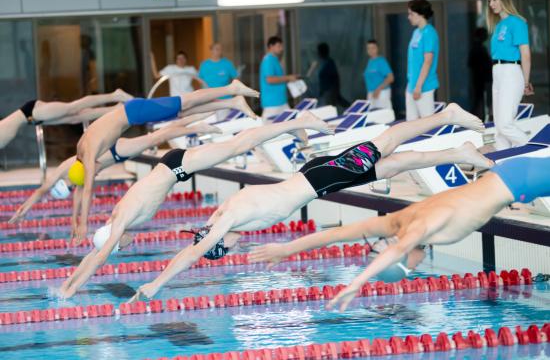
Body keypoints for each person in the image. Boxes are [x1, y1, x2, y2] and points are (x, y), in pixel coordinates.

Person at [128, 103, 495, 301]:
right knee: (392, 165)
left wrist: (157, 284)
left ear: (218, 239)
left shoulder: (228, 220)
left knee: (386, 144)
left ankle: (447, 114)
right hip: (315, 179)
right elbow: (196, 242)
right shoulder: (228, 218)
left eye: (223, 248)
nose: (233, 247)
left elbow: (192, 252)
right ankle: (457, 150)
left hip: (319, 178)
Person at [58, 111, 334, 298]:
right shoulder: (116, 220)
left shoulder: (119, 223)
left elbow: (100, 257)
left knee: (238, 145)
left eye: (120, 246)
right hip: (173, 167)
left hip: (177, 167)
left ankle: (297, 122)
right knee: (236, 145)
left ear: (114, 240)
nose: (127, 246)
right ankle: (294, 126)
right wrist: (65, 285)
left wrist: (71, 291)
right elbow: (92, 256)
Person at [251, 156, 550, 311]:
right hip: (512, 182)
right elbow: (337, 235)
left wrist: (357, 283)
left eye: (408, 266)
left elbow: (395, 250)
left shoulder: (418, 228)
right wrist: (287, 250)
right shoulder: (394, 223)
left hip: (520, 181)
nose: (415, 267)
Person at [71, 80, 259, 242]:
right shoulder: (82, 149)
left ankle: (231, 89)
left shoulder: (89, 156)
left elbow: (87, 189)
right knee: (183, 111)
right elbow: (80, 188)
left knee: (186, 101)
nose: (98, 171)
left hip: (135, 112)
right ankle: (233, 102)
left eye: (94, 172)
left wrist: (83, 224)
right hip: (134, 112)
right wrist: (74, 219)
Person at [8, 114, 221, 224]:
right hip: (117, 152)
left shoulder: (68, 169)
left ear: (66, 183)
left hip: (117, 150)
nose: (74, 189)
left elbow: (44, 190)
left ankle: (198, 126)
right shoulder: (73, 176)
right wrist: (74, 219)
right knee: (158, 135)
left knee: (159, 136)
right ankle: (197, 123)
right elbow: (77, 196)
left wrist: (24, 208)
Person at [0, 89, 132, 150]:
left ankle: (115, 95)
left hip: (31, 112)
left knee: (73, 108)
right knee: (75, 118)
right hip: (31, 119)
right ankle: (115, 109)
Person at [488, 0, 533, 150]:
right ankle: (503, 166)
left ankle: (535, 151)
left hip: (511, 72)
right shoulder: (498, 25)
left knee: (505, 124)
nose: (491, 3)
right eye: (489, 0)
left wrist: (526, 82)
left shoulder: (517, 22)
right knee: (499, 128)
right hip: (498, 72)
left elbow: (525, 55)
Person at [406, 0, 440, 121]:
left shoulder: (430, 33)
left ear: (420, 15)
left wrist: (419, 86)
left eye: (411, 14)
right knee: (411, 125)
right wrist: (413, 85)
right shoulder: (416, 33)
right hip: (411, 86)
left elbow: (428, 61)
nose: (408, 17)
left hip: (423, 87)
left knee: (427, 125)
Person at [259, 36, 299, 119]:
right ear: (271, 46)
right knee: (269, 129)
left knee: (291, 126)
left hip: (281, 101)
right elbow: (270, 79)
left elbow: (278, 78)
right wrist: (288, 78)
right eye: (279, 46)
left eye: (281, 46)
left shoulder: (275, 59)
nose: (281, 49)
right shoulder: (268, 60)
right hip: (272, 103)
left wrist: (290, 78)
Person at [199, 43, 240, 120]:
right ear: (211, 50)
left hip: (225, 99)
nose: (219, 51)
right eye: (217, 49)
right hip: (209, 100)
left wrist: (234, 91)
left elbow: (236, 79)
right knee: (210, 124)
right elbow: (201, 82)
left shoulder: (227, 63)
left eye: (220, 49)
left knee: (223, 124)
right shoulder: (204, 65)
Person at [468, 28, 493, 121]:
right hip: (482, 80)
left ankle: (482, 117)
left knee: (480, 100)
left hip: (480, 80)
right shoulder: (478, 48)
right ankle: (481, 118)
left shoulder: (478, 48)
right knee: (481, 101)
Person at [316, 43, 349, 111]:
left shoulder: (329, 63)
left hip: (329, 92)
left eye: (319, 51)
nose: (318, 54)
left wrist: (336, 92)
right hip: (325, 92)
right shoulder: (323, 63)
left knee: (328, 110)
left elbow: (335, 78)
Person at [364, 39, 394, 110]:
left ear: (377, 49)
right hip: (371, 94)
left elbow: (391, 78)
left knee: (383, 117)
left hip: (381, 93)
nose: (371, 50)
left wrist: (378, 89)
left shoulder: (381, 61)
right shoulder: (370, 62)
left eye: (373, 48)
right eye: (368, 48)